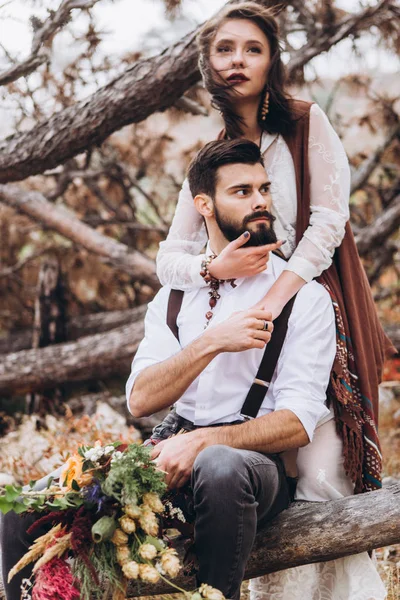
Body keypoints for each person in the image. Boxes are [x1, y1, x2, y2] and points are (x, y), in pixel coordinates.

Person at [126, 139, 386, 600]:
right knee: (29, 508)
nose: (261, 200)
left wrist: (203, 441)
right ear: (203, 205)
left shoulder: (302, 299)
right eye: (242, 191)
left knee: (219, 464)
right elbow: (140, 399)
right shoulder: (172, 298)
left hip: (253, 469)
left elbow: (297, 422)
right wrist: (211, 341)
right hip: (169, 451)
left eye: (264, 189)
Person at [156, 2, 395, 503]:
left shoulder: (307, 124)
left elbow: (328, 224)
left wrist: (276, 301)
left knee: (321, 473)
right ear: (208, 64)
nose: (238, 60)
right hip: (244, 325)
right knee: (256, 469)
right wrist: (212, 267)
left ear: (271, 62)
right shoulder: (212, 158)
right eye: (225, 49)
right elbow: (169, 258)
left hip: (314, 308)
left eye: (253, 49)